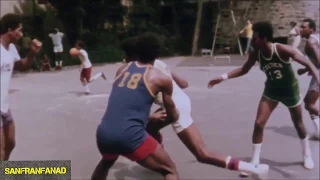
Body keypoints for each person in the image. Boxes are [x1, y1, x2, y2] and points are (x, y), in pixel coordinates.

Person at [120, 35, 270, 180]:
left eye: (126, 56)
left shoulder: (143, 72)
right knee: (150, 128)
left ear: (136, 55)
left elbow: (139, 105)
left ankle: (254, 169)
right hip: (179, 101)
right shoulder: (158, 63)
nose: (125, 60)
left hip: (176, 107)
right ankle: (160, 156)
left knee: (202, 154)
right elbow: (183, 83)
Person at [208, 22, 319, 176]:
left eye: (255, 38)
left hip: (290, 91)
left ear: (264, 38)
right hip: (271, 91)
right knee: (259, 123)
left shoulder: (281, 49)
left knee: (298, 123)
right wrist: (222, 77)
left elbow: (306, 61)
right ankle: (254, 163)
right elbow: (244, 69)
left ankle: (307, 154)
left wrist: (318, 78)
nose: (252, 41)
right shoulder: (256, 53)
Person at [91, 33, 180, 180]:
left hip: (104, 133)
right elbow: (171, 114)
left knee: (106, 162)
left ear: (137, 52)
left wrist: (149, 117)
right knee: (169, 170)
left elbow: (126, 103)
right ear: (157, 54)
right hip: (130, 136)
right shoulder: (161, 79)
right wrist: (170, 117)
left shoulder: (122, 70)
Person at [0, 13, 41, 160]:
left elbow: (21, 66)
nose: (21, 34)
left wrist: (32, 53)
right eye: (20, 30)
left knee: (10, 143)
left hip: (4, 105)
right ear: (10, 30)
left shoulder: (11, 48)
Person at [299, 18, 320, 140]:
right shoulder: (317, 37)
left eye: (304, 27)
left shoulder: (311, 42)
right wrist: (305, 69)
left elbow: (319, 62)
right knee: (308, 102)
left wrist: (306, 69)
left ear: (311, 29)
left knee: (309, 104)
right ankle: (318, 132)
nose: (301, 29)